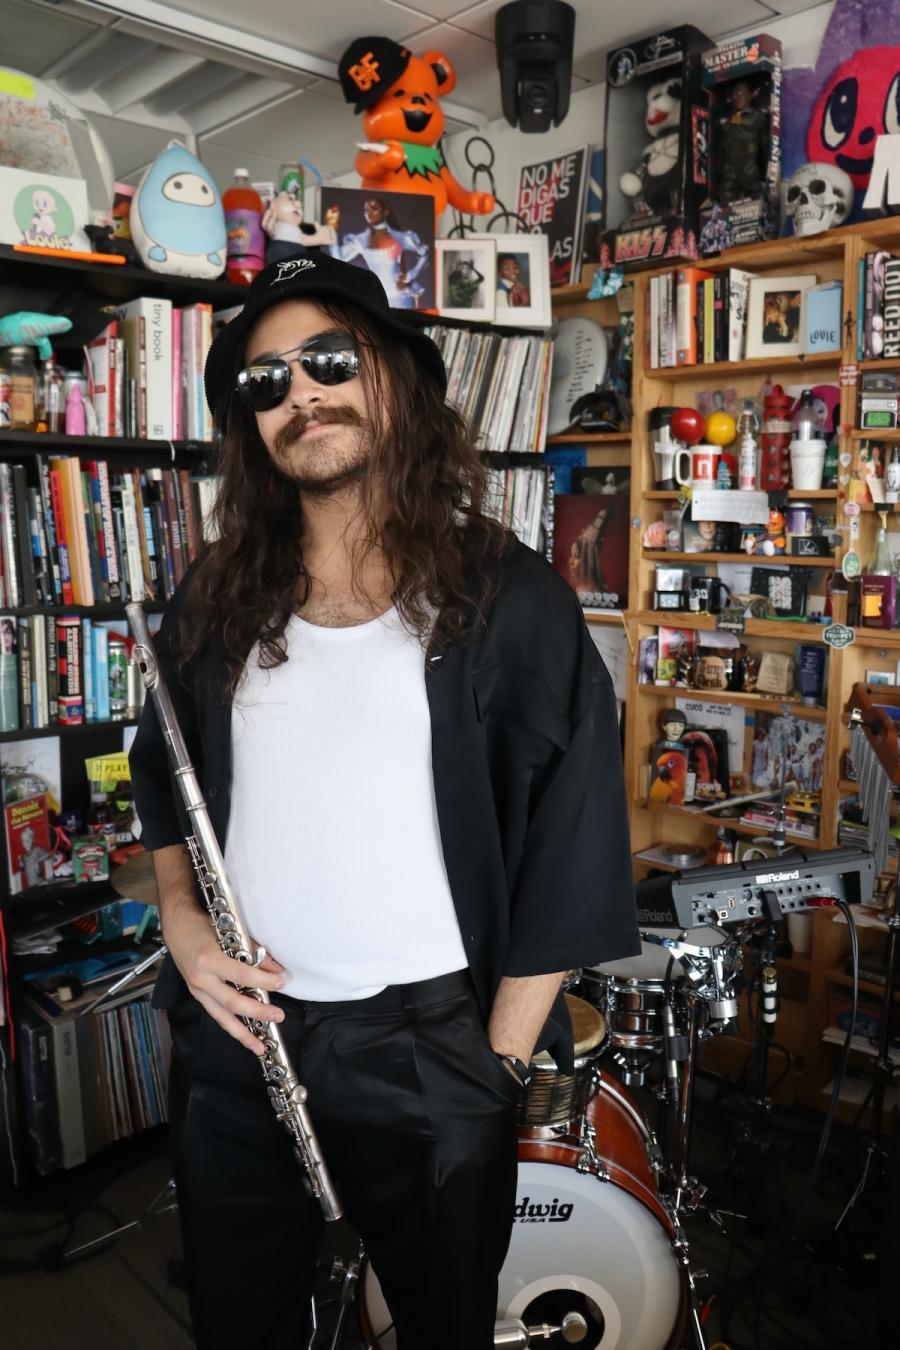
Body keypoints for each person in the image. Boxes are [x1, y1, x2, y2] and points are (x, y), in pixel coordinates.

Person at [129, 248, 638, 1350]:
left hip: (431, 1047)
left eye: (326, 360)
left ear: (395, 378)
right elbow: (160, 784)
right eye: (265, 382)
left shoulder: (509, 597)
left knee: (440, 1328)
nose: (299, 394)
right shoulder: (218, 595)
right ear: (251, 425)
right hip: (242, 1044)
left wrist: (494, 1059)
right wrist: (180, 926)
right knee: (239, 1325)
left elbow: (575, 835)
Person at [326, 194, 430, 309]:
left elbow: (425, 254)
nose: (369, 213)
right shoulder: (361, 240)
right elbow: (338, 259)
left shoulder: (401, 237)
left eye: (374, 209)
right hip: (377, 301)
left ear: (385, 212)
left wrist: (411, 275)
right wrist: (333, 229)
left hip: (402, 300)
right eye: (366, 210)